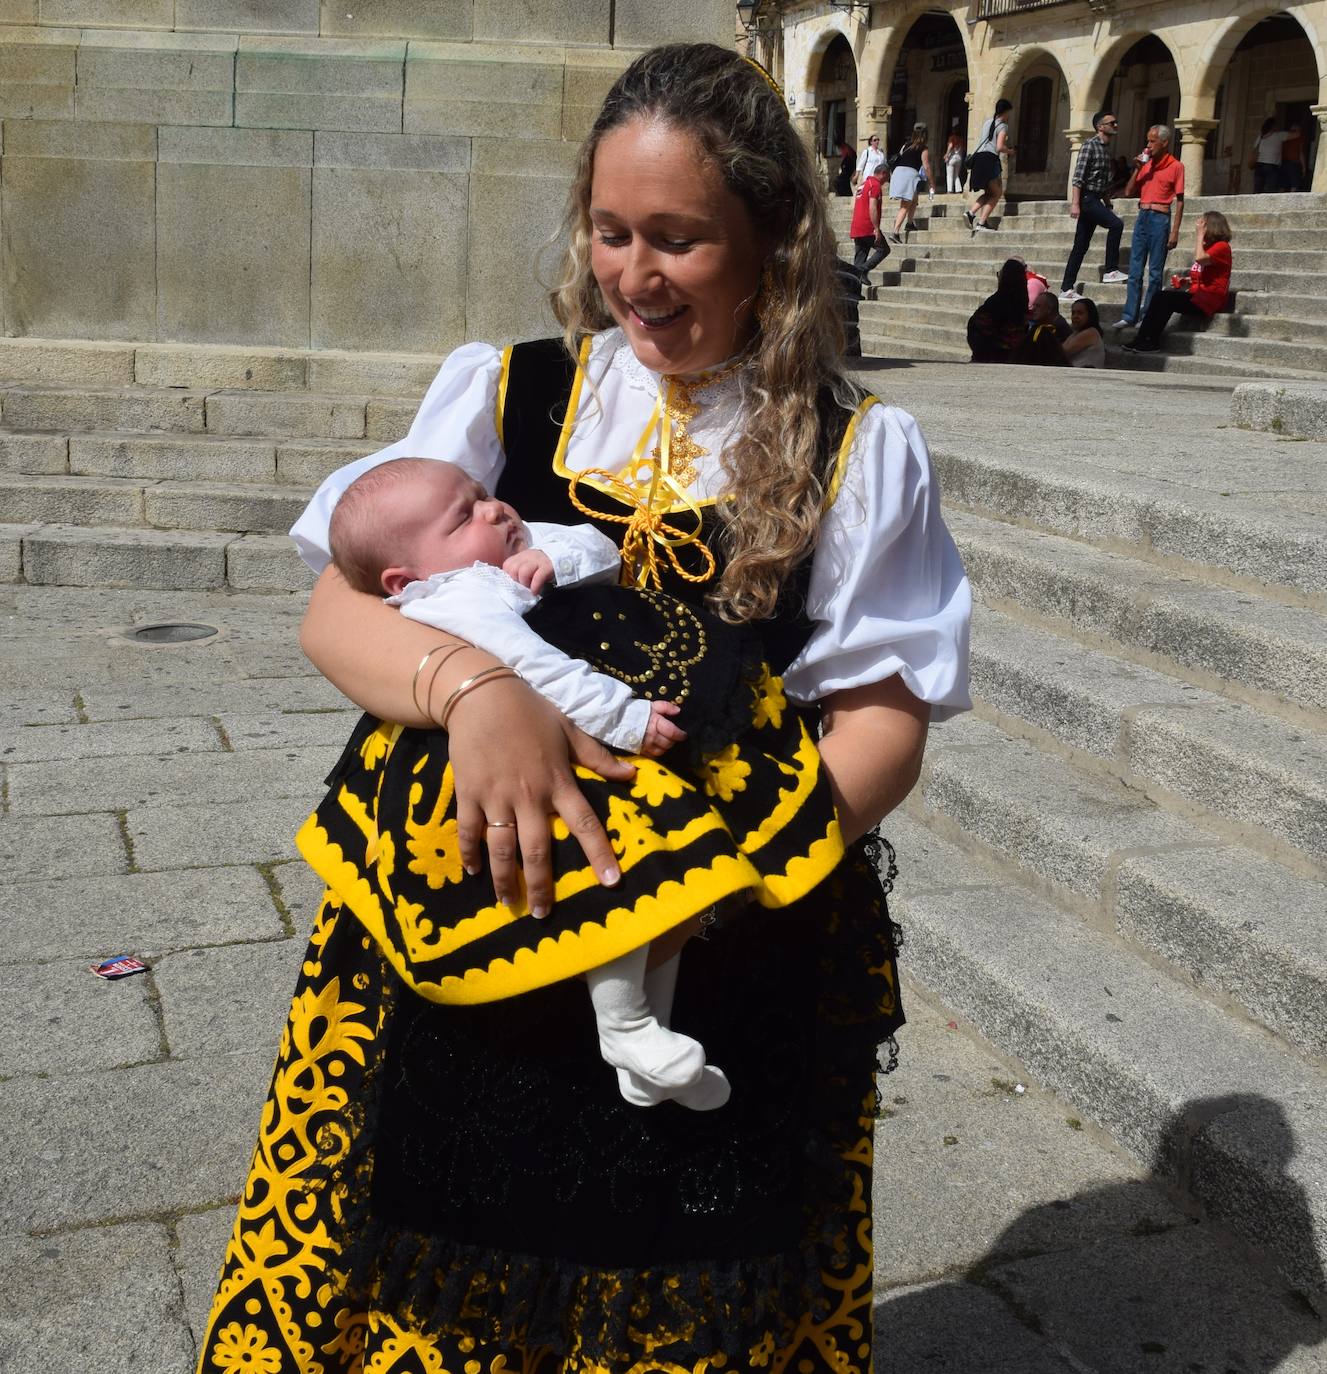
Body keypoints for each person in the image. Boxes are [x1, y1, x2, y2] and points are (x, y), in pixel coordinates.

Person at [198, 41, 972, 1374]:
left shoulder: (860, 450)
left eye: (678, 239)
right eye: (610, 232)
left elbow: (882, 717)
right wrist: (475, 685)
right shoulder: (508, 392)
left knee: (672, 1280)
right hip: (468, 901)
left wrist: (720, 882)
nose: (633, 275)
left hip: (719, 934)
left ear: (774, 240)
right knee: (427, 1241)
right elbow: (338, 606)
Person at [1125, 210, 1232, 354]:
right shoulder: (1209, 247)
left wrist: (1199, 235)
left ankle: (1151, 341)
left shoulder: (1222, 247)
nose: (1199, 227)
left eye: (1203, 225)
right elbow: (1205, 273)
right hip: (1198, 295)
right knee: (1160, 296)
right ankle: (1142, 338)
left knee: (1165, 299)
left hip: (1209, 299)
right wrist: (1187, 281)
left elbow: (1200, 259)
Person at [1113, 124, 1185, 332]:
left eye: (1153, 141)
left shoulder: (1176, 166)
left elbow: (1180, 200)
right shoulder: (1146, 164)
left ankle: (1147, 315)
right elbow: (1128, 192)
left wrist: (1175, 230)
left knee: (1154, 272)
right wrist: (1137, 168)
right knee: (1135, 271)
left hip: (1161, 217)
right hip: (1143, 215)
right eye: (1148, 141)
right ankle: (1129, 315)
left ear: (1164, 142)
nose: (1148, 145)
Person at [1059, 111, 1128, 305]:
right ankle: (1110, 270)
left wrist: (1107, 202)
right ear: (1100, 126)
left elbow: (1103, 181)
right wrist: (1075, 204)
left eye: (1116, 122)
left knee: (1080, 246)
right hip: (1088, 200)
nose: (1115, 125)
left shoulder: (1106, 149)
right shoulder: (1090, 145)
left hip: (1096, 198)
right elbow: (1078, 176)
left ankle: (1066, 288)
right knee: (1116, 225)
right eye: (1111, 123)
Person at [967, 256, 1030, 362]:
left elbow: (979, 326)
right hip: (1013, 357)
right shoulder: (1022, 301)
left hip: (992, 356)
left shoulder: (996, 302)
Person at [965, 98, 1013, 233]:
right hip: (989, 160)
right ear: (1005, 112)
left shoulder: (987, 122)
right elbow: (999, 147)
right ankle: (981, 222)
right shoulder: (1003, 126)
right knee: (997, 193)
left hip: (978, 159)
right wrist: (1010, 151)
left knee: (989, 192)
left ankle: (971, 213)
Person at [888, 123, 931, 244]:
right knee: (905, 205)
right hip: (909, 174)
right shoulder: (923, 148)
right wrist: (932, 182)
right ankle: (895, 232)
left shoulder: (906, 145)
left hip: (898, 173)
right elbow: (926, 166)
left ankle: (910, 223)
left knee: (914, 198)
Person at [850, 156, 890, 285]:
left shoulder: (863, 185)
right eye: (888, 176)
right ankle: (861, 270)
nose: (888, 179)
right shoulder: (876, 185)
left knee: (860, 257)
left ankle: (854, 288)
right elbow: (872, 207)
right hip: (867, 227)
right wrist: (876, 228)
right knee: (884, 249)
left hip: (857, 226)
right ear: (883, 173)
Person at [1016, 291, 1069, 366]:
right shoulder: (1042, 325)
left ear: (1049, 309)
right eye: (1033, 305)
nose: (1033, 309)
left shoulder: (1057, 327)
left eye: (1037, 306)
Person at [1063, 297, 1106, 368]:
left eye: (1080, 313)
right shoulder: (1076, 333)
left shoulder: (1091, 333)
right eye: (1073, 313)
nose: (1075, 316)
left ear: (1090, 315)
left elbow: (1062, 353)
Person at [1251, 116, 1289, 194]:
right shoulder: (1279, 135)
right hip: (1272, 166)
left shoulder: (1261, 136)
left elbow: (1254, 147)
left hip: (1259, 164)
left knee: (1257, 189)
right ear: (1274, 126)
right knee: (1270, 190)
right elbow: (1297, 134)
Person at [1280, 122, 1308, 192]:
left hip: (1284, 162)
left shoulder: (1285, 136)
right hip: (1294, 163)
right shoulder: (1299, 137)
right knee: (1294, 185)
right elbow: (1300, 152)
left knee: (1282, 185)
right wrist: (1304, 167)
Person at [943, 120, 965, 193]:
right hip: (959, 157)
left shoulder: (952, 137)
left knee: (949, 175)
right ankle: (958, 189)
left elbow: (950, 146)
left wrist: (946, 154)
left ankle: (950, 190)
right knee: (956, 175)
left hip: (952, 157)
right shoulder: (961, 139)